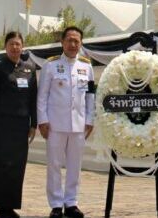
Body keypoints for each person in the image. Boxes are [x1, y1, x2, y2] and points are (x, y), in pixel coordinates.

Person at [37, 26, 94, 218]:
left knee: (74, 165)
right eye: (69, 40)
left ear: (81, 44)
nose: (72, 44)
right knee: (54, 164)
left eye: (76, 41)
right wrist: (42, 120)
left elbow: (90, 96)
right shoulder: (50, 65)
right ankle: (55, 204)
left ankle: (71, 202)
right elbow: (42, 95)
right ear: (62, 42)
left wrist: (90, 119)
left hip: (78, 124)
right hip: (55, 124)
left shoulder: (86, 66)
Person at [0, 31, 38, 218]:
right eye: (11, 44)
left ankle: (11, 206)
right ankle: (1, 207)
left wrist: (34, 124)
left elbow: (33, 99)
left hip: (21, 126)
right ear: (6, 47)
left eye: (18, 44)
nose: (15, 47)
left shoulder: (29, 69)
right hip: (1, 126)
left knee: (16, 167)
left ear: (22, 46)